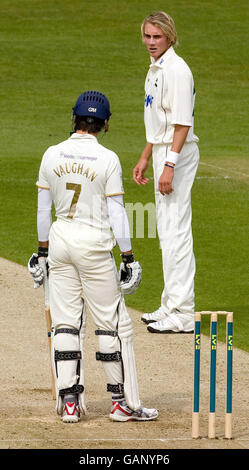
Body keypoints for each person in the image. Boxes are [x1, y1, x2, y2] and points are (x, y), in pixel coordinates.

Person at [28, 90, 158, 423]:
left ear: (75, 119)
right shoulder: (107, 159)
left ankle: (69, 402)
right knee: (112, 325)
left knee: (66, 322)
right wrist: (128, 255)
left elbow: (44, 210)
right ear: (105, 124)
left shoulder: (51, 154)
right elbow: (117, 213)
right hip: (95, 248)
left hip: (60, 243)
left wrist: (41, 253)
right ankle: (120, 403)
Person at [133, 11, 200, 334]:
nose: (150, 42)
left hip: (177, 153)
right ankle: (170, 303)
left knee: (175, 231)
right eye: (147, 36)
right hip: (162, 150)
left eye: (156, 36)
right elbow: (158, 120)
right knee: (165, 230)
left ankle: (183, 311)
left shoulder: (176, 70)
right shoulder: (156, 68)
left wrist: (169, 165)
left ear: (170, 36)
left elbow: (182, 123)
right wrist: (147, 156)